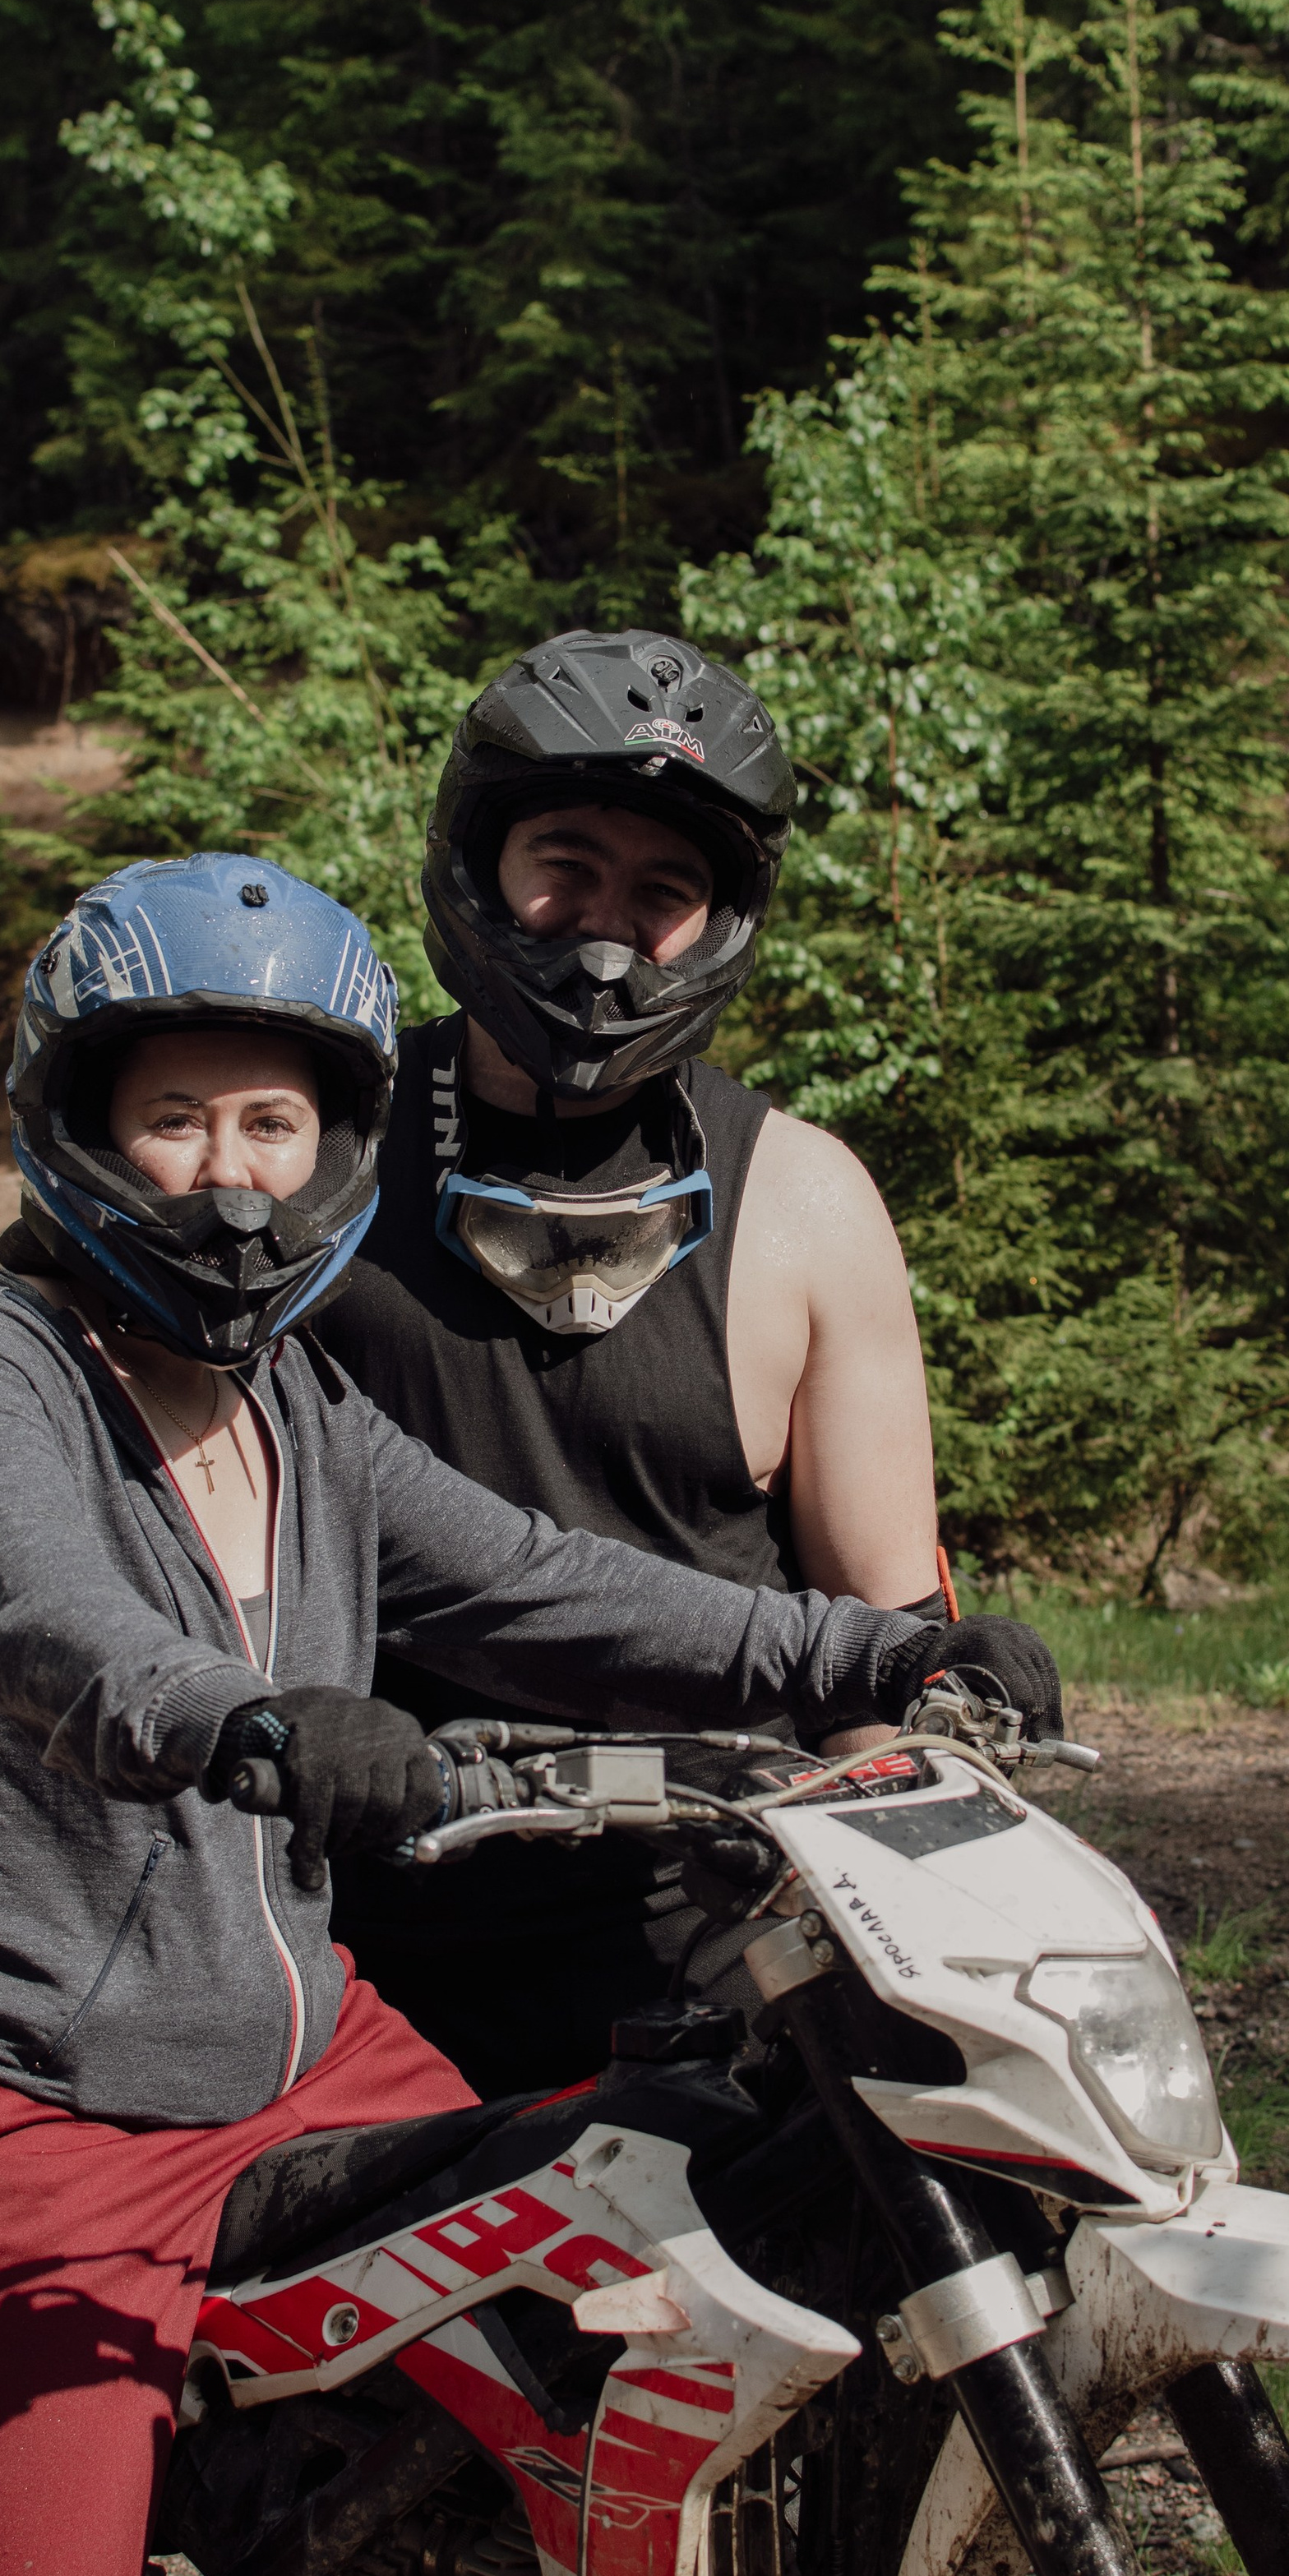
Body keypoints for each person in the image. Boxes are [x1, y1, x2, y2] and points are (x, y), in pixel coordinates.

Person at [0, 850, 1057, 2576]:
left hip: (306, 2053)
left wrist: (879, 1647)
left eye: (274, 1123)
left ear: (338, 1144)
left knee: (622, 2298)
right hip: (26, 2105)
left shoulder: (293, 1404)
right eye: (175, 1118)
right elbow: (51, 1629)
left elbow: (558, 1585)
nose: (231, 1174)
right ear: (76, 1122)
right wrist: (255, 1719)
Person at [321, 628, 946, 2094]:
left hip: (718, 1935)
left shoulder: (804, 1201)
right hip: (357, 1931)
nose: (606, 932)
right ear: (480, 861)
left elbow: (887, 1644)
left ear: (722, 920)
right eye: (568, 865)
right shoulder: (322, 1160)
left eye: (664, 890)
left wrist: (915, 1922)